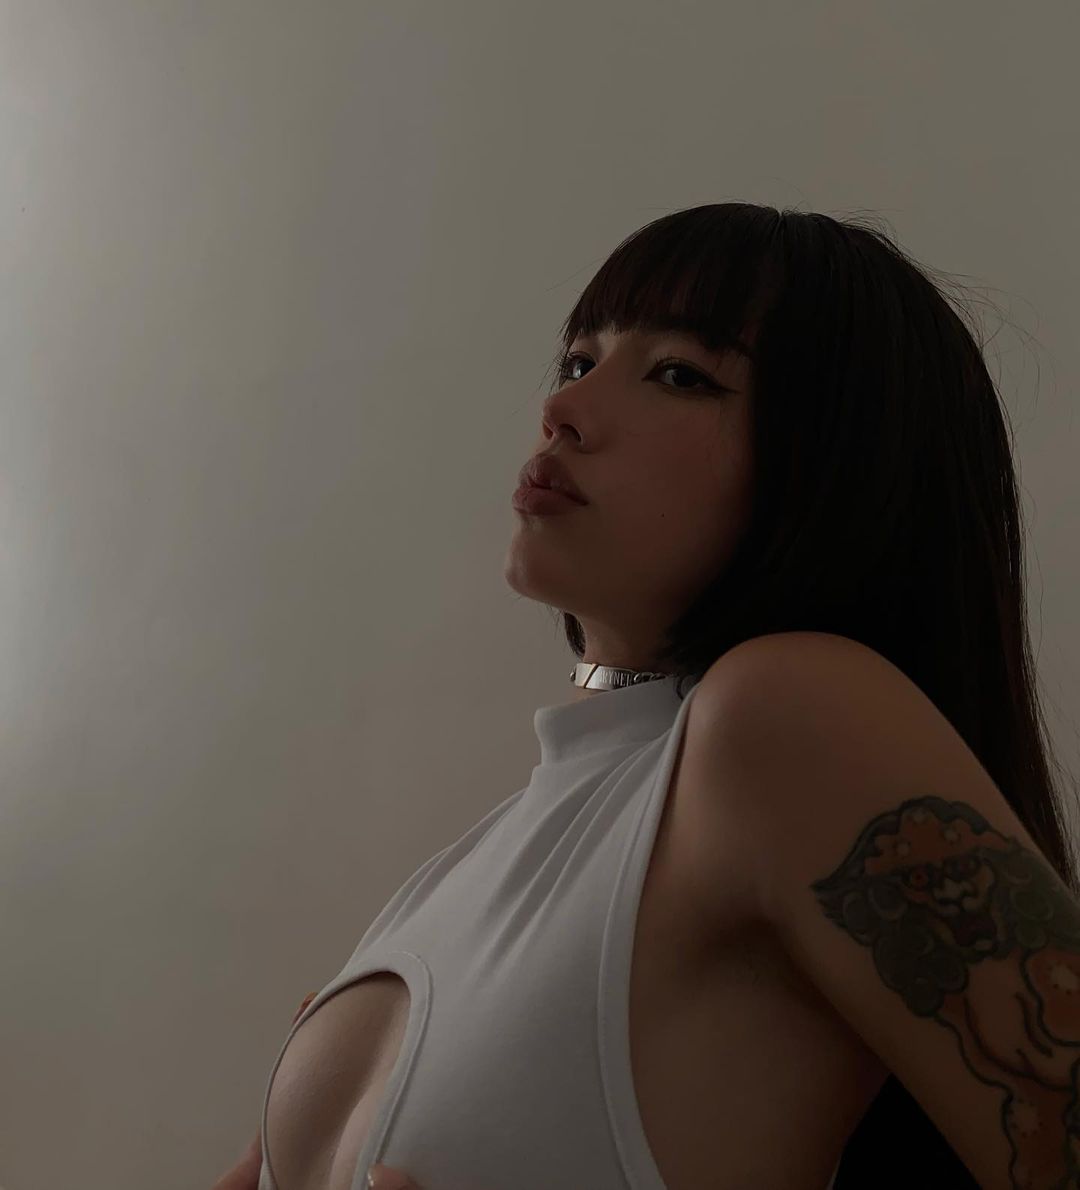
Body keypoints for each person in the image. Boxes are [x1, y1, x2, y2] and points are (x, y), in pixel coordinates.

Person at [213, 202, 1078, 1189]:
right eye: (579, 359)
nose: (564, 406)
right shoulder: (460, 872)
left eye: (680, 373)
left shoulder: (784, 709)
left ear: (841, 468)